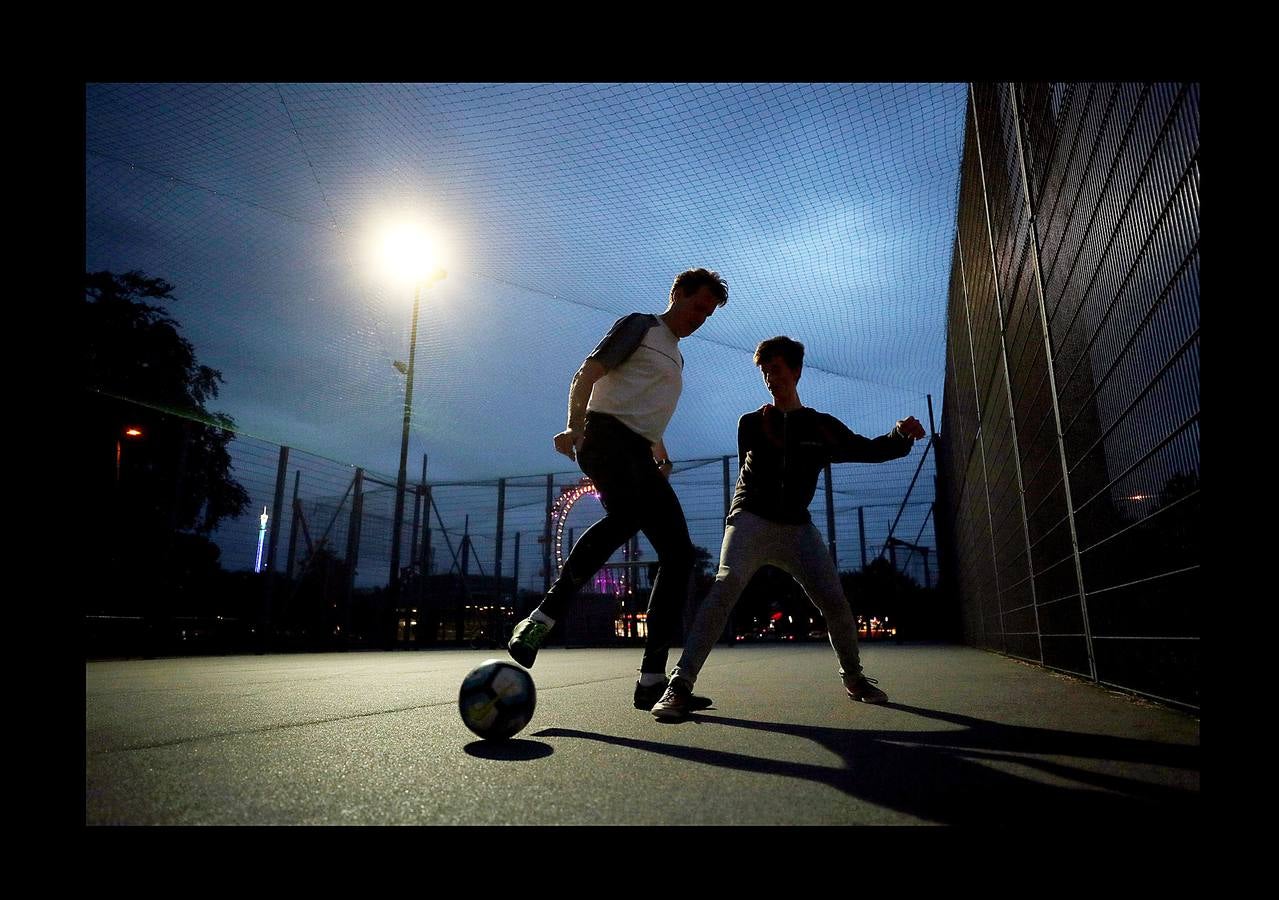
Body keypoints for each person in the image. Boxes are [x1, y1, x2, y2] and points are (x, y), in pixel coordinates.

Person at [650, 335, 927, 721]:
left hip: (797, 528)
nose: (770, 378)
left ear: (795, 372)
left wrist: (900, 435)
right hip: (750, 519)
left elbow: (869, 449)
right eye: (765, 372)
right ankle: (679, 686)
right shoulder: (752, 423)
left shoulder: (821, 427)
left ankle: (855, 678)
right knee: (725, 586)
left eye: (776, 370)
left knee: (835, 603)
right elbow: (768, 458)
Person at [508, 268, 728, 710]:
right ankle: (541, 619)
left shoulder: (677, 357)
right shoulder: (641, 326)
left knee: (679, 556)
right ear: (677, 294)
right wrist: (573, 425)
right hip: (605, 437)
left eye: (709, 313)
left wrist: (661, 456)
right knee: (628, 518)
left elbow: (647, 412)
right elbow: (587, 373)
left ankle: (651, 680)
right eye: (698, 306)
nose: (701, 317)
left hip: (638, 452)